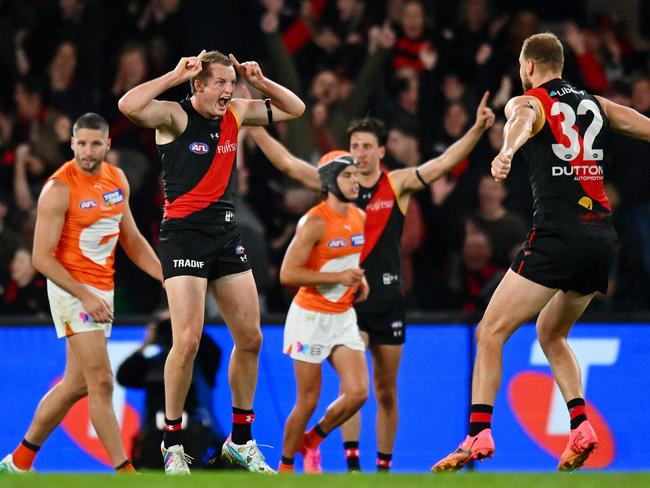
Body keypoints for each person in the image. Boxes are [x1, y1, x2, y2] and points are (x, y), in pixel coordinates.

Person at [431, 32, 650, 473]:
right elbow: (641, 123)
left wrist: (507, 150)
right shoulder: (595, 103)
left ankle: (478, 433)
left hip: (559, 234)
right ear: (562, 64)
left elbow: (521, 118)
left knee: (490, 332)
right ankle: (581, 425)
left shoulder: (527, 100)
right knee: (552, 332)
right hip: (601, 237)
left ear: (528, 66)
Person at [248, 92, 494, 471]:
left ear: (381, 152)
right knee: (353, 389)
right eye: (353, 146)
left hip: (388, 299)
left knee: (385, 392)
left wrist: (477, 129)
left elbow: (444, 161)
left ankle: (382, 469)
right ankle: (351, 466)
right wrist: (252, 123)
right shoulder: (332, 183)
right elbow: (285, 162)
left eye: (366, 147)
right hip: (345, 303)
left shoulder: (395, 184)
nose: (358, 154)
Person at [117, 49, 305, 474]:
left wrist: (259, 83)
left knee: (252, 338)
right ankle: (171, 443)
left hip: (225, 234)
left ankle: (240, 440)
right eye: (219, 82)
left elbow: (296, 107)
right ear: (198, 85)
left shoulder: (237, 111)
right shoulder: (175, 117)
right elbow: (128, 106)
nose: (228, 90)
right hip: (183, 237)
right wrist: (173, 73)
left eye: (230, 83)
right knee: (186, 341)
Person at [0, 112, 163, 474]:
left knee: (76, 385)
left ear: (107, 144)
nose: (88, 151)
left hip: (102, 288)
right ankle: (126, 473)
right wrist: (85, 296)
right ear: (72, 143)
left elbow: (132, 239)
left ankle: (19, 463)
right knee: (102, 381)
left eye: (95, 143)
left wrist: (166, 277)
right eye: (81, 143)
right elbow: (42, 258)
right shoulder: (58, 189)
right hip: (70, 288)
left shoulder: (117, 179)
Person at [277, 151, 369, 473]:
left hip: (343, 316)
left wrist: (360, 279)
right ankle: (285, 468)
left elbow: (349, 259)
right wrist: (338, 278)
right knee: (308, 400)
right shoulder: (313, 222)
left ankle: (312, 439)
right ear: (329, 181)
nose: (355, 181)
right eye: (347, 176)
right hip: (311, 318)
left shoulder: (359, 216)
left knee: (358, 392)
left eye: (356, 175)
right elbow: (287, 274)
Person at [116, 316, 225, 470]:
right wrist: (147, 343)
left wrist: (187, 323)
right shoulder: (151, 365)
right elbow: (124, 376)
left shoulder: (201, 364)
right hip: (154, 434)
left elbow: (213, 351)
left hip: (197, 430)